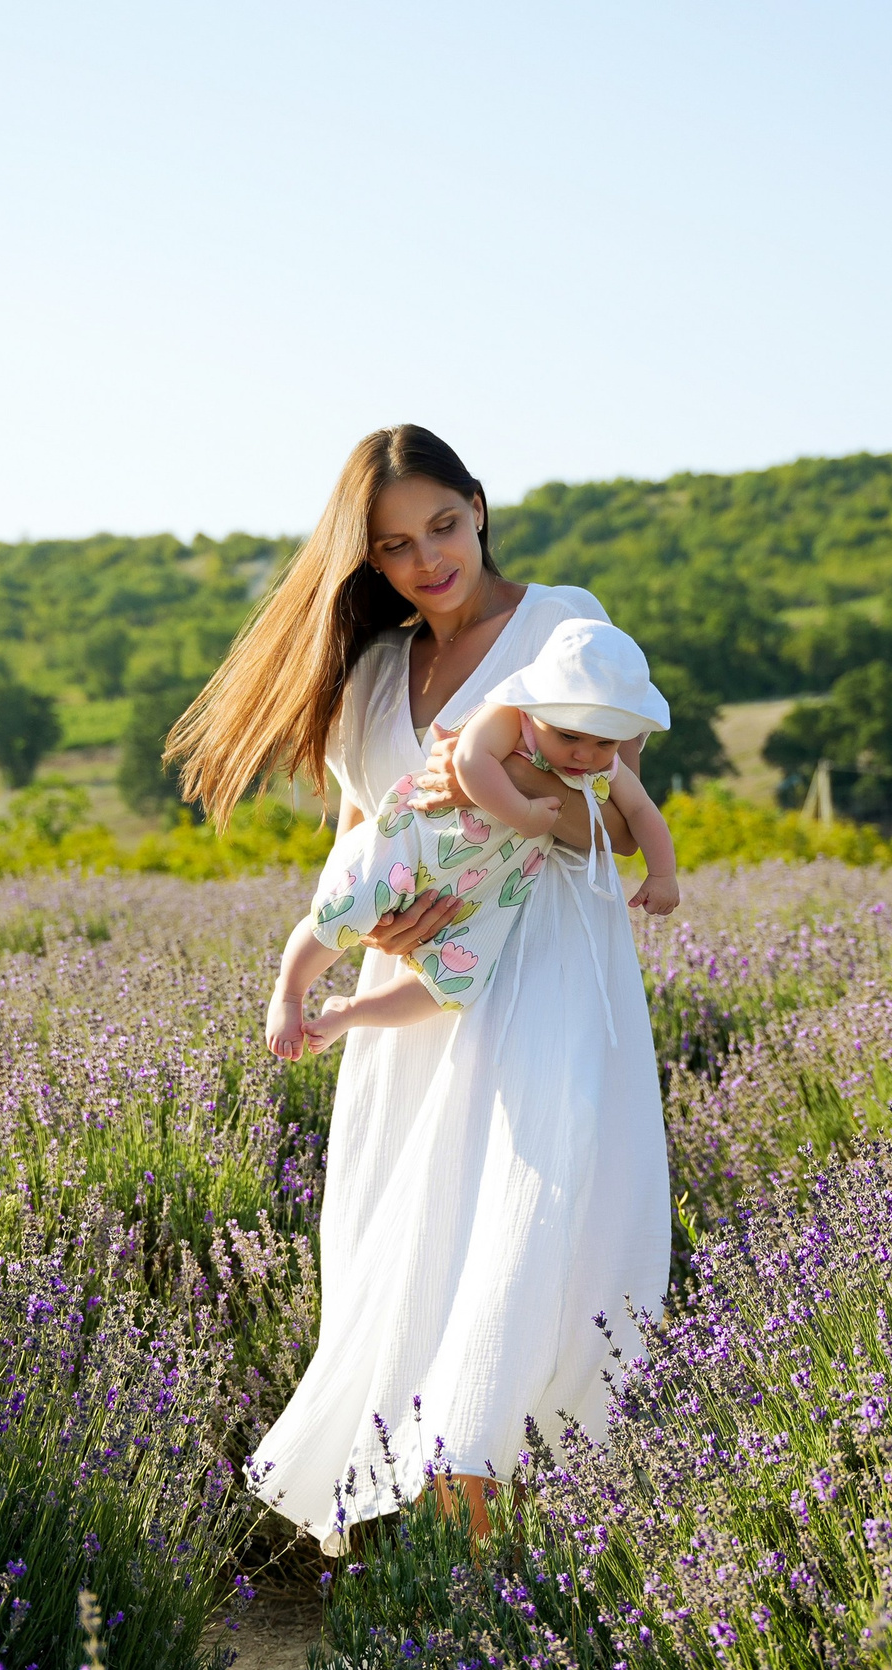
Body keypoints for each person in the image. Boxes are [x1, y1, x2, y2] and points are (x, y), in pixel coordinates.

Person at [167, 424, 672, 1553]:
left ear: (480, 506)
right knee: (422, 1266)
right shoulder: (372, 679)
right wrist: (350, 941)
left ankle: (497, 1581)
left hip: (543, 980)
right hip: (418, 998)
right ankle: (454, 1593)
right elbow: (359, 842)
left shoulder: (563, 627)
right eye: (395, 545)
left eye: (443, 525)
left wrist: (527, 814)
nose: (429, 559)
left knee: (525, 1251)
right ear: (371, 562)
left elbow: (615, 809)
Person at [271, 617, 683, 1051]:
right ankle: (290, 991)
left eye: (605, 743)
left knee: (453, 983)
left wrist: (662, 873)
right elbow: (467, 761)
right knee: (347, 909)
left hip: (489, 883)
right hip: (424, 841)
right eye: (569, 736)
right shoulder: (512, 716)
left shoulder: (603, 760)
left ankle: (351, 1013)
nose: (585, 754)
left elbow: (640, 812)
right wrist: (524, 813)